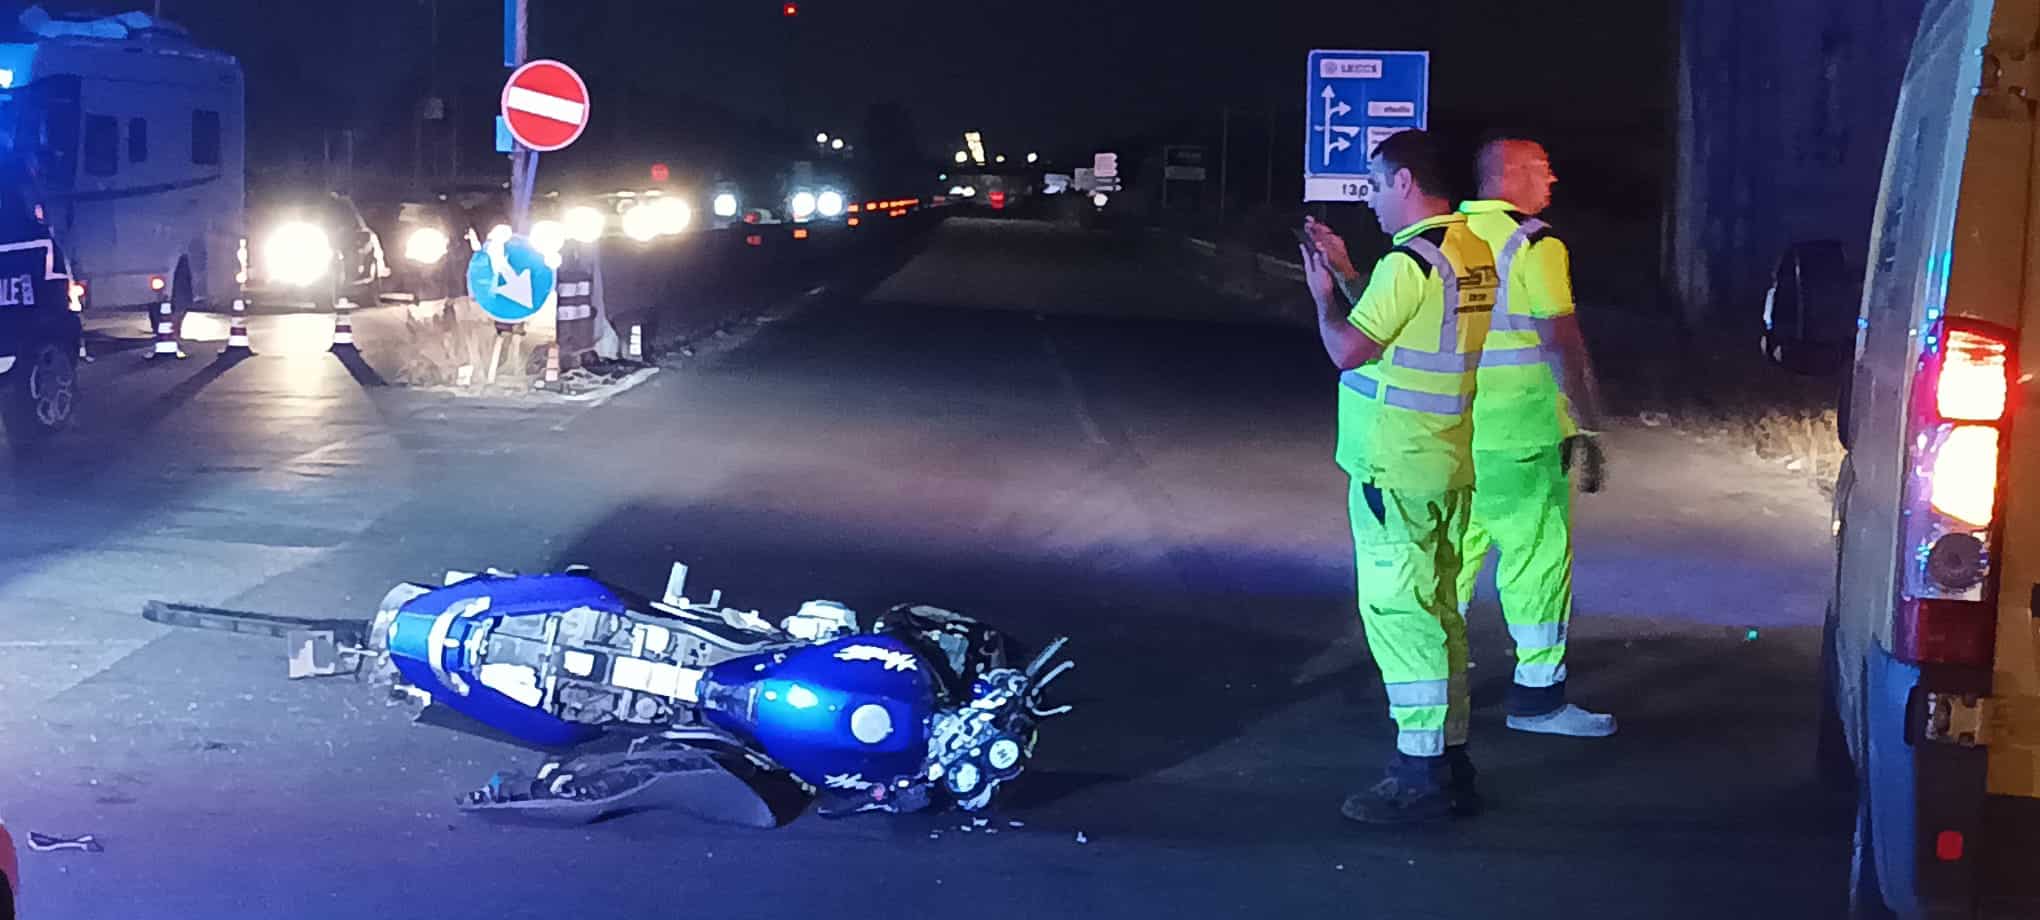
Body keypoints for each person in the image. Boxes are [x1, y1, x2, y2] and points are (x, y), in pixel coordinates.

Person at [1298, 128, 1498, 824]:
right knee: (1442, 615)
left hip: (1395, 467)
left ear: (1407, 182)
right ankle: (1451, 757)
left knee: (1401, 617)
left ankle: (1419, 773)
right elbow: (1405, 326)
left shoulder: (1408, 263)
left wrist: (1323, 295)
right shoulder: (1468, 251)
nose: (1373, 200)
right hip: (1447, 463)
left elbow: (1349, 349)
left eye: (1378, 185)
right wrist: (1351, 269)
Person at [1451, 136, 1613, 736]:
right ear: (1511, 174)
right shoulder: (1535, 245)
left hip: (1451, 431)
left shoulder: (1443, 239)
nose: (1552, 180)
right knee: (1537, 563)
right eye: (1542, 169)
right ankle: (1538, 699)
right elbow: (1560, 342)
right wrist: (1588, 424)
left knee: (1450, 562)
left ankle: (1437, 690)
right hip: (1522, 434)